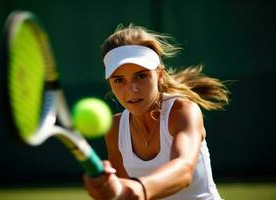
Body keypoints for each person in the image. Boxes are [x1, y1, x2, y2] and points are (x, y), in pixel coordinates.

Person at [83, 24, 229, 200]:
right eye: (119, 80)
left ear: (159, 74)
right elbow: (122, 194)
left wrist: (138, 188)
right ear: (110, 84)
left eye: (141, 76)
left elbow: (183, 170)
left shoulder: (183, 111)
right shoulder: (114, 129)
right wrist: (111, 189)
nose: (132, 89)